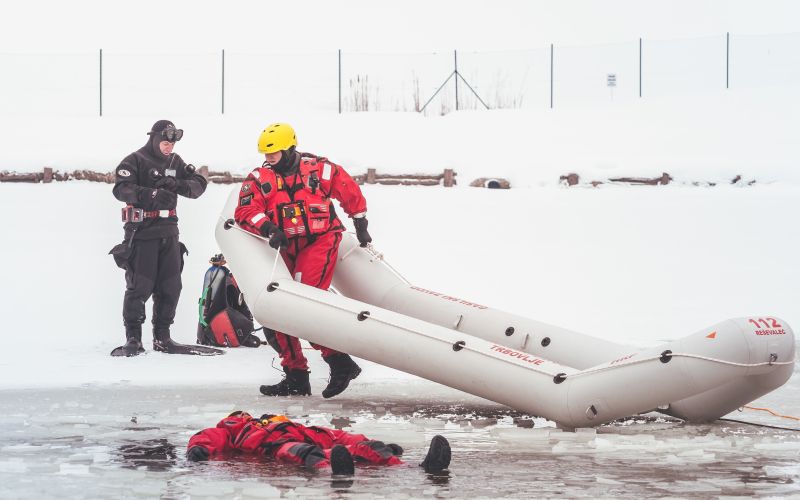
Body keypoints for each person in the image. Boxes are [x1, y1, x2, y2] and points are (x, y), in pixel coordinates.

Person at [234, 122, 373, 398]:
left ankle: (339, 362)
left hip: (320, 240)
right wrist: (268, 228)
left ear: (290, 148)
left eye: (274, 152)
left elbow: (348, 189)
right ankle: (296, 375)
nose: (269, 158)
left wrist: (360, 223)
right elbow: (246, 210)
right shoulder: (259, 177)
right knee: (278, 309)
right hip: (286, 246)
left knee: (304, 301)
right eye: (266, 153)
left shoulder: (319, 169)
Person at [109, 120, 219, 357]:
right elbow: (121, 189)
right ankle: (133, 339)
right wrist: (151, 194)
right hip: (142, 233)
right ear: (154, 139)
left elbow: (199, 185)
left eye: (172, 144)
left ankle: (162, 337)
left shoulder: (174, 162)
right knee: (140, 286)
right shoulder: (135, 160)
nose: (169, 148)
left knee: (171, 286)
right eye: (166, 143)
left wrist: (176, 183)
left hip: (169, 232)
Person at [186, 410, 452, 476]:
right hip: (277, 449)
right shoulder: (234, 428)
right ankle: (332, 470)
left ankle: (413, 467)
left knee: (363, 448)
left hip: (313, 443)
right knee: (304, 452)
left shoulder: (285, 422)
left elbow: (332, 435)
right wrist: (198, 449)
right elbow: (209, 437)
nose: (245, 414)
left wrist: (375, 443)